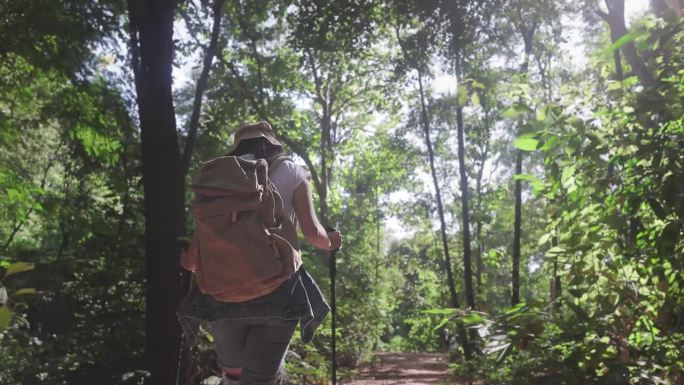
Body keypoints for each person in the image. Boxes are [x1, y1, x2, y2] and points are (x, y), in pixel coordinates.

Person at [177, 121, 342, 385]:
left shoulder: (217, 179)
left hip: (221, 294)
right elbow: (314, 235)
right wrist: (333, 241)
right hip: (278, 291)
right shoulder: (292, 170)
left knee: (232, 374)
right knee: (261, 379)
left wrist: (185, 261)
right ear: (272, 144)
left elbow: (192, 260)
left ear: (238, 145)